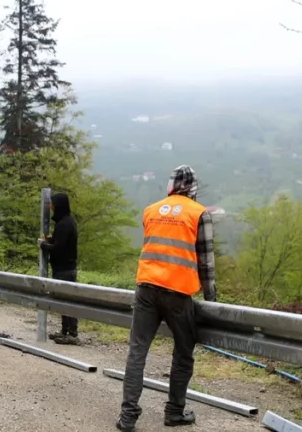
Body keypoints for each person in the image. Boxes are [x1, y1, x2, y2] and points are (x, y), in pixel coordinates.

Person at [116, 165, 217, 432]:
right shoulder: (199, 213)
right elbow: (206, 263)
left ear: (171, 185)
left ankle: (128, 416)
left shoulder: (151, 209)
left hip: (147, 287)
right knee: (183, 352)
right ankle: (174, 412)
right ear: (193, 188)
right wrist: (212, 301)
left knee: (137, 351)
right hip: (178, 293)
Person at [39, 192, 79, 345]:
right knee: (64, 300)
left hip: (64, 269)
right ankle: (65, 331)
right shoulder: (66, 221)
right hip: (65, 267)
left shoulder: (64, 224)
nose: (51, 206)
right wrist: (50, 240)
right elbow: (59, 242)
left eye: (53, 203)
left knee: (67, 300)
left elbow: (58, 248)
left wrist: (43, 245)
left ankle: (72, 333)